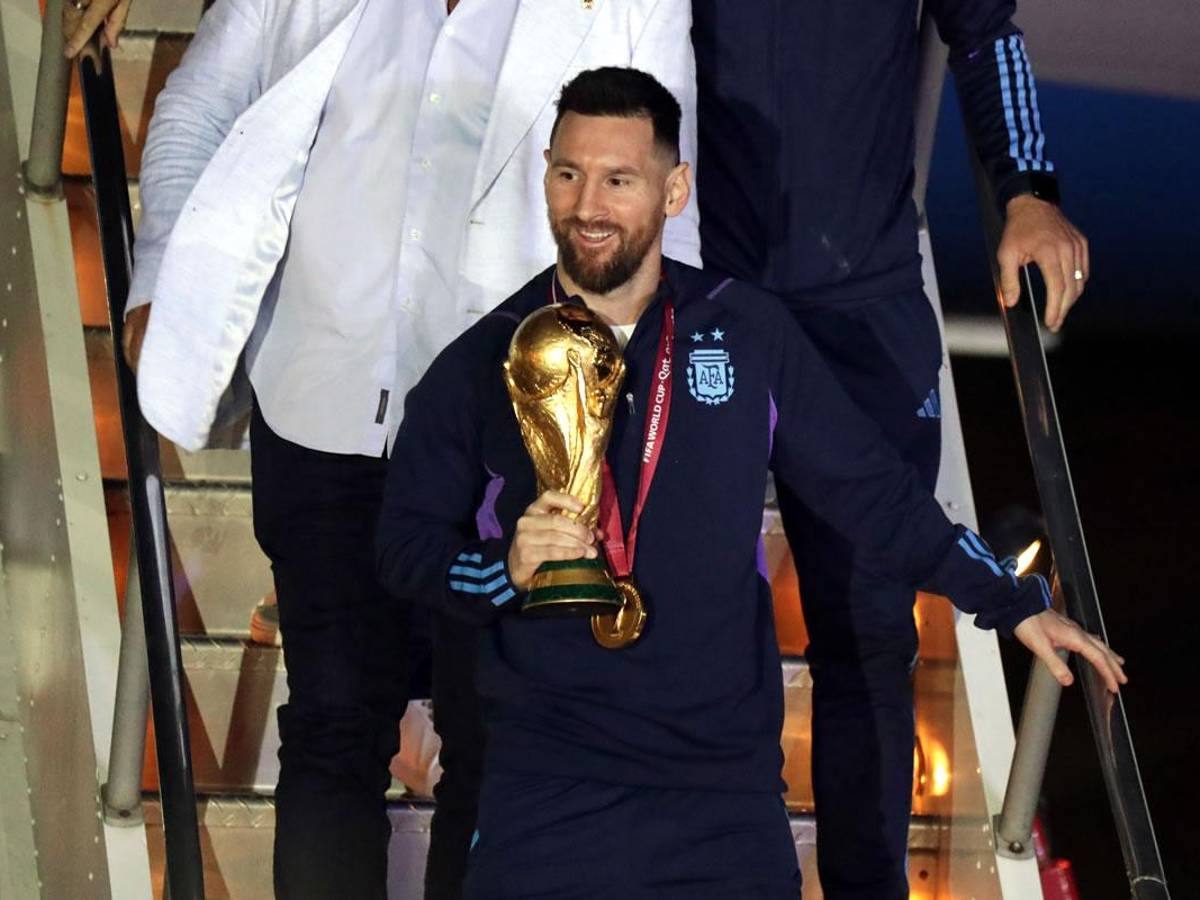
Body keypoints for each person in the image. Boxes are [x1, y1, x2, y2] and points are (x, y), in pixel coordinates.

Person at [376, 67, 1125, 900]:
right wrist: (501, 569)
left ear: (674, 189)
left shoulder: (745, 331)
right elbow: (404, 548)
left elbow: (871, 494)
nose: (588, 204)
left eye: (619, 179)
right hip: (547, 792)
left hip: (722, 798)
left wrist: (1011, 603)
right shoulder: (485, 358)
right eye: (568, 173)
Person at [125, 1, 699, 897]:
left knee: (494, 747)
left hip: (510, 443)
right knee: (331, 726)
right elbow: (200, 103)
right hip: (323, 399)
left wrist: (644, 425)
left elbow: (662, 198)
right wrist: (162, 275)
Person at [690, 3, 1090, 895]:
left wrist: (1028, 191)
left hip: (860, 311)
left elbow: (986, 29)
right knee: (691, 630)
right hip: (703, 292)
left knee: (867, 643)